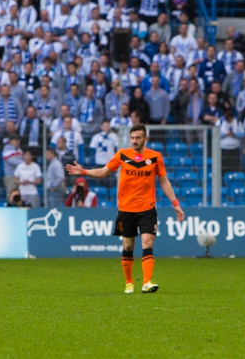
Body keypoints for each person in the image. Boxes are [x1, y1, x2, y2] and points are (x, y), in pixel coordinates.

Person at [66, 124, 185, 294]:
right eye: (132, 138)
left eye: (138, 138)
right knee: (128, 246)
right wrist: (83, 171)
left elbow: (164, 181)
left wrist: (176, 205)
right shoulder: (122, 155)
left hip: (147, 208)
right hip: (126, 209)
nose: (135, 141)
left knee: (147, 242)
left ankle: (146, 282)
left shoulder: (155, 157)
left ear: (146, 139)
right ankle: (129, 282)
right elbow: (104, 171)